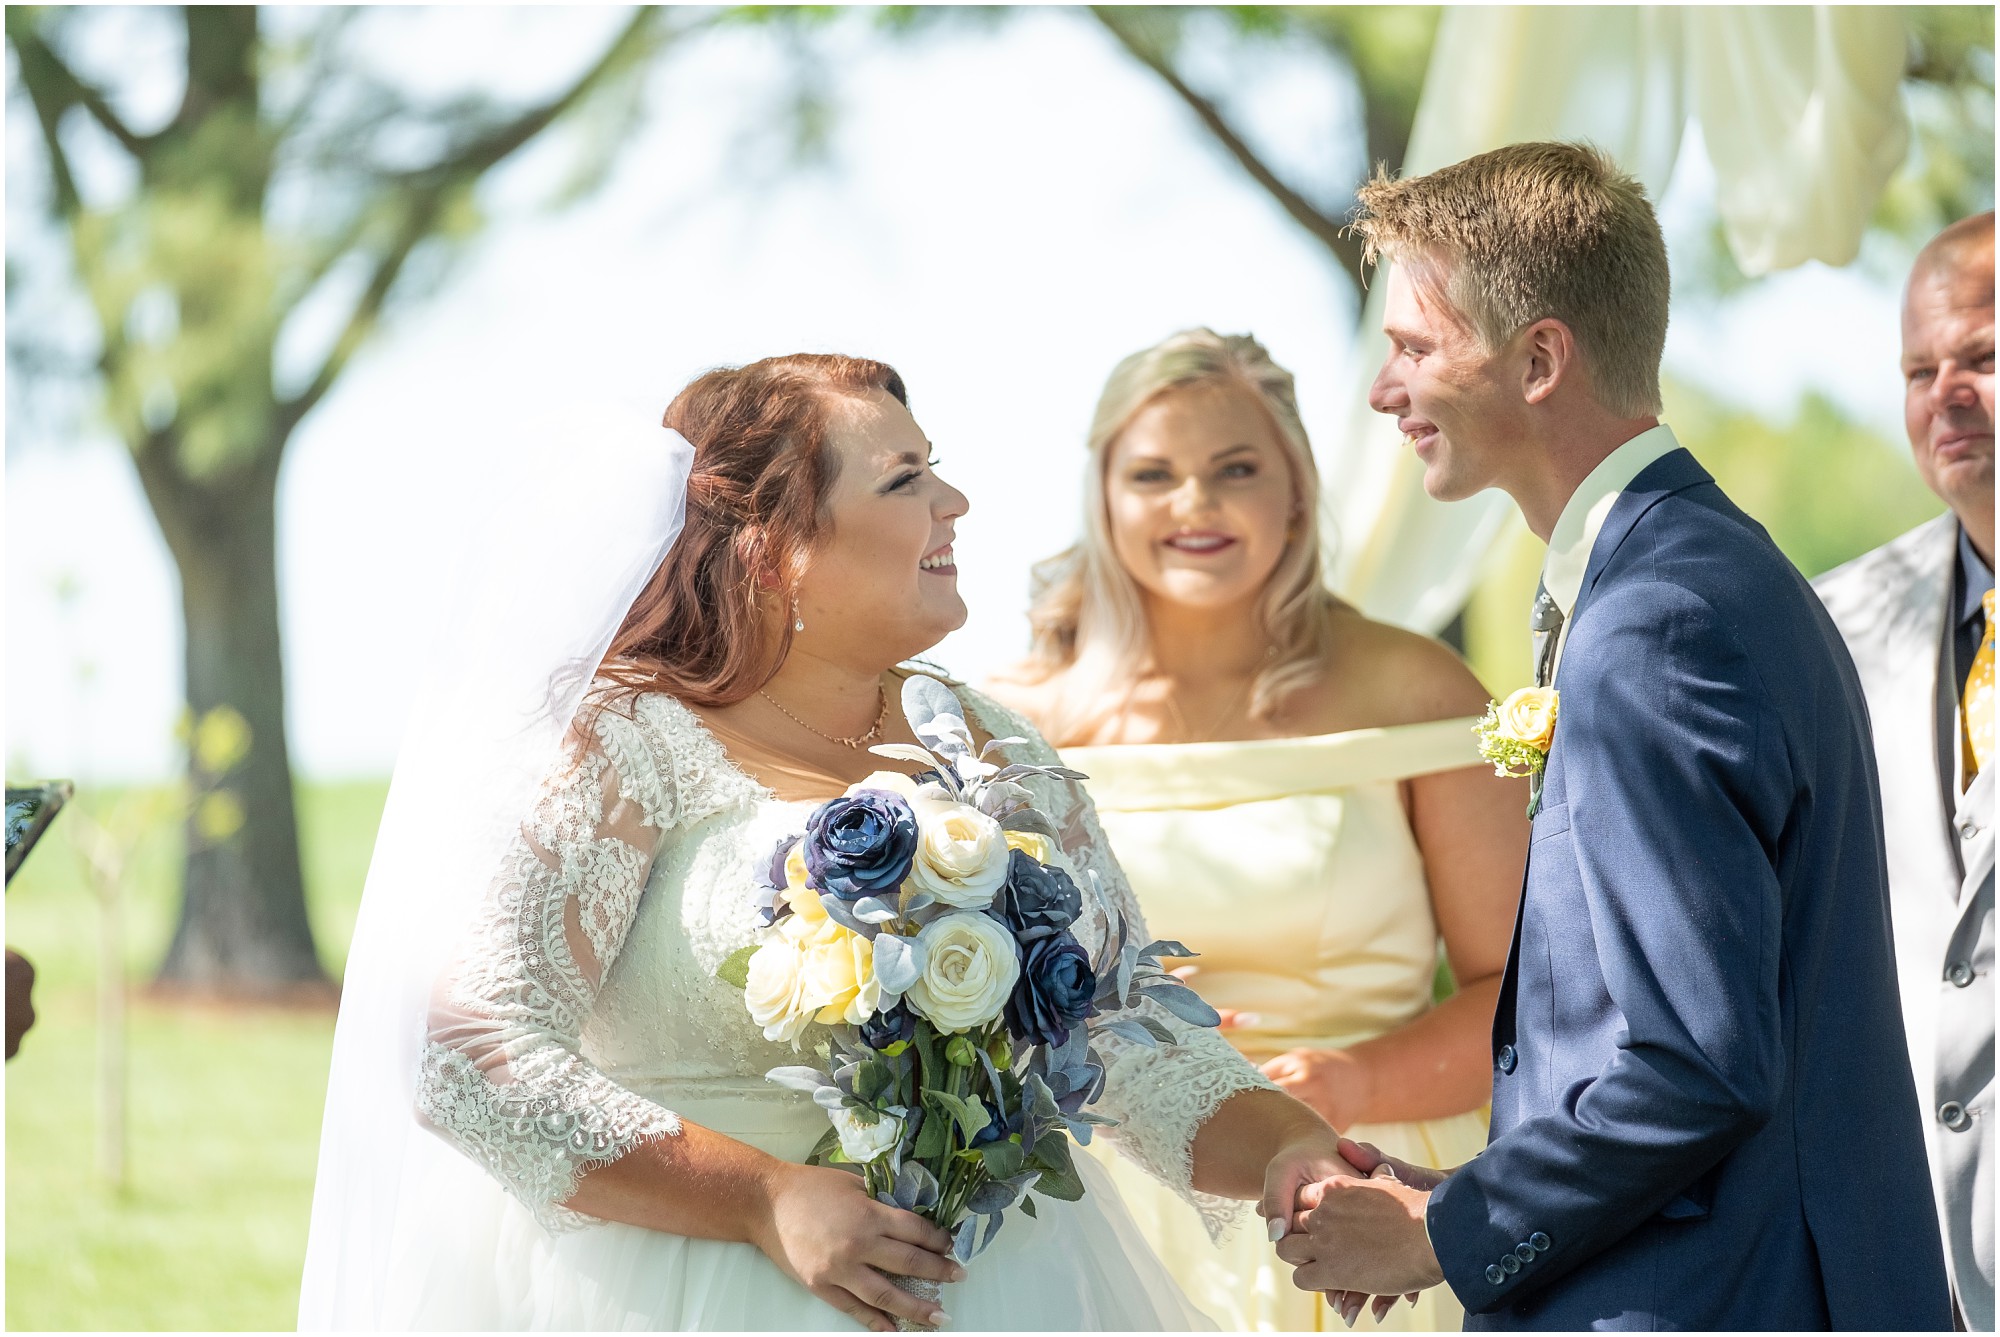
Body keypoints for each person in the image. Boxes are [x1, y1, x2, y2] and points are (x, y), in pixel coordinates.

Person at [300, 354, 1362, 1331]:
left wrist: (1289, 1146)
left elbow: (1117, 1023)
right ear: (773, 552)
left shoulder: (987, 740)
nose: (954, 502)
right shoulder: (627, 740)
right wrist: (762, 1197)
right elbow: (472, 1054)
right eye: (904, 481)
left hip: (995, 1285)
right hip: (687, 1288)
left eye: (935, 470)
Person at [1272, 141, 1953, 1329]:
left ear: (1537, 359)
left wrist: (1445, 1233)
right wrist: (1472, 1194)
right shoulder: (1690, 571)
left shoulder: (1657, 620)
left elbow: (1695, 1061)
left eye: (1414, 350)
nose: (1384, 393)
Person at [986, 328, 1525, 1331]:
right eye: (1153, 473)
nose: (1194, 503)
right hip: (1099, 1214)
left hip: (1365, 1180)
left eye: (1233, 468)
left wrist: (1352, 1078)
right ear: (1104, 496)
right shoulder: (1011, 722)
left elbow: (1521, 993)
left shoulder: (1414, 690)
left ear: (1294, 488)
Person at [1814, 211, 1994, 1331]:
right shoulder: (1837, 615)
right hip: (1903, 1244)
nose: (1945, 394)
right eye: (1916, 370)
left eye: (1981, 355)